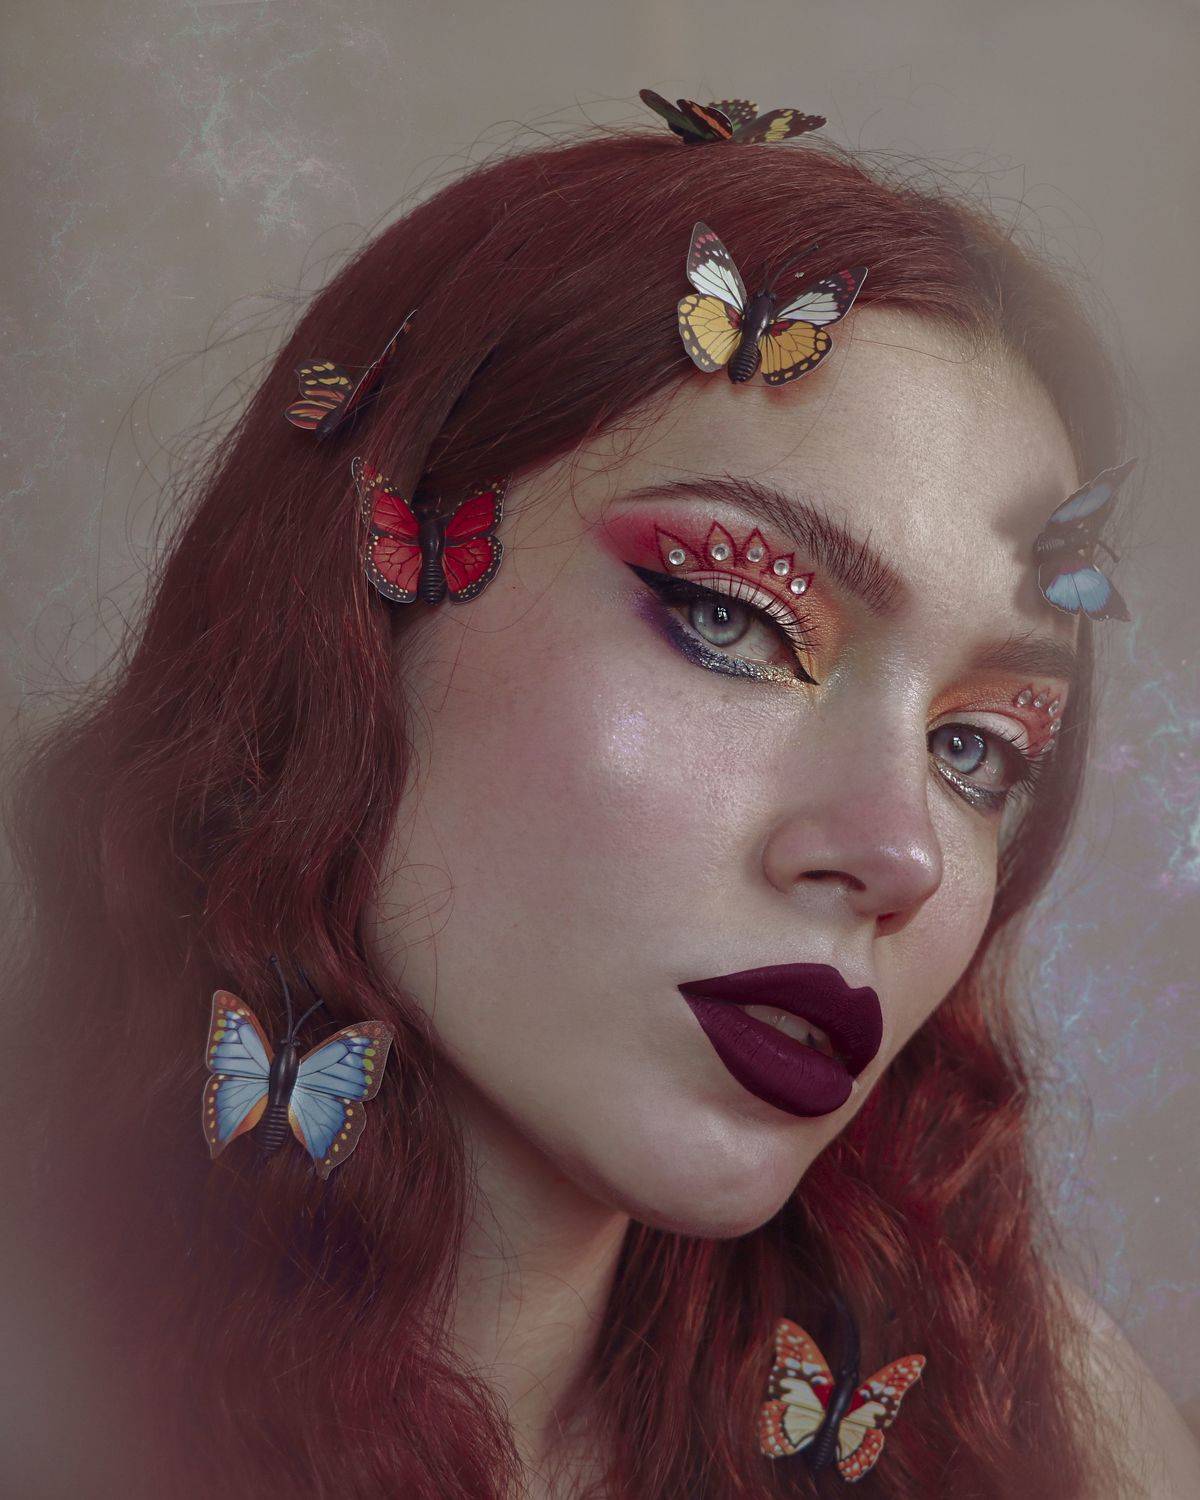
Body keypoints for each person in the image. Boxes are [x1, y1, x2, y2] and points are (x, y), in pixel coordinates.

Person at [6, 106, 1200, 1500]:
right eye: (730, 618)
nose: (898, 853)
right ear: (357, 616)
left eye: (979, 748)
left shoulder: (1024, 1419)